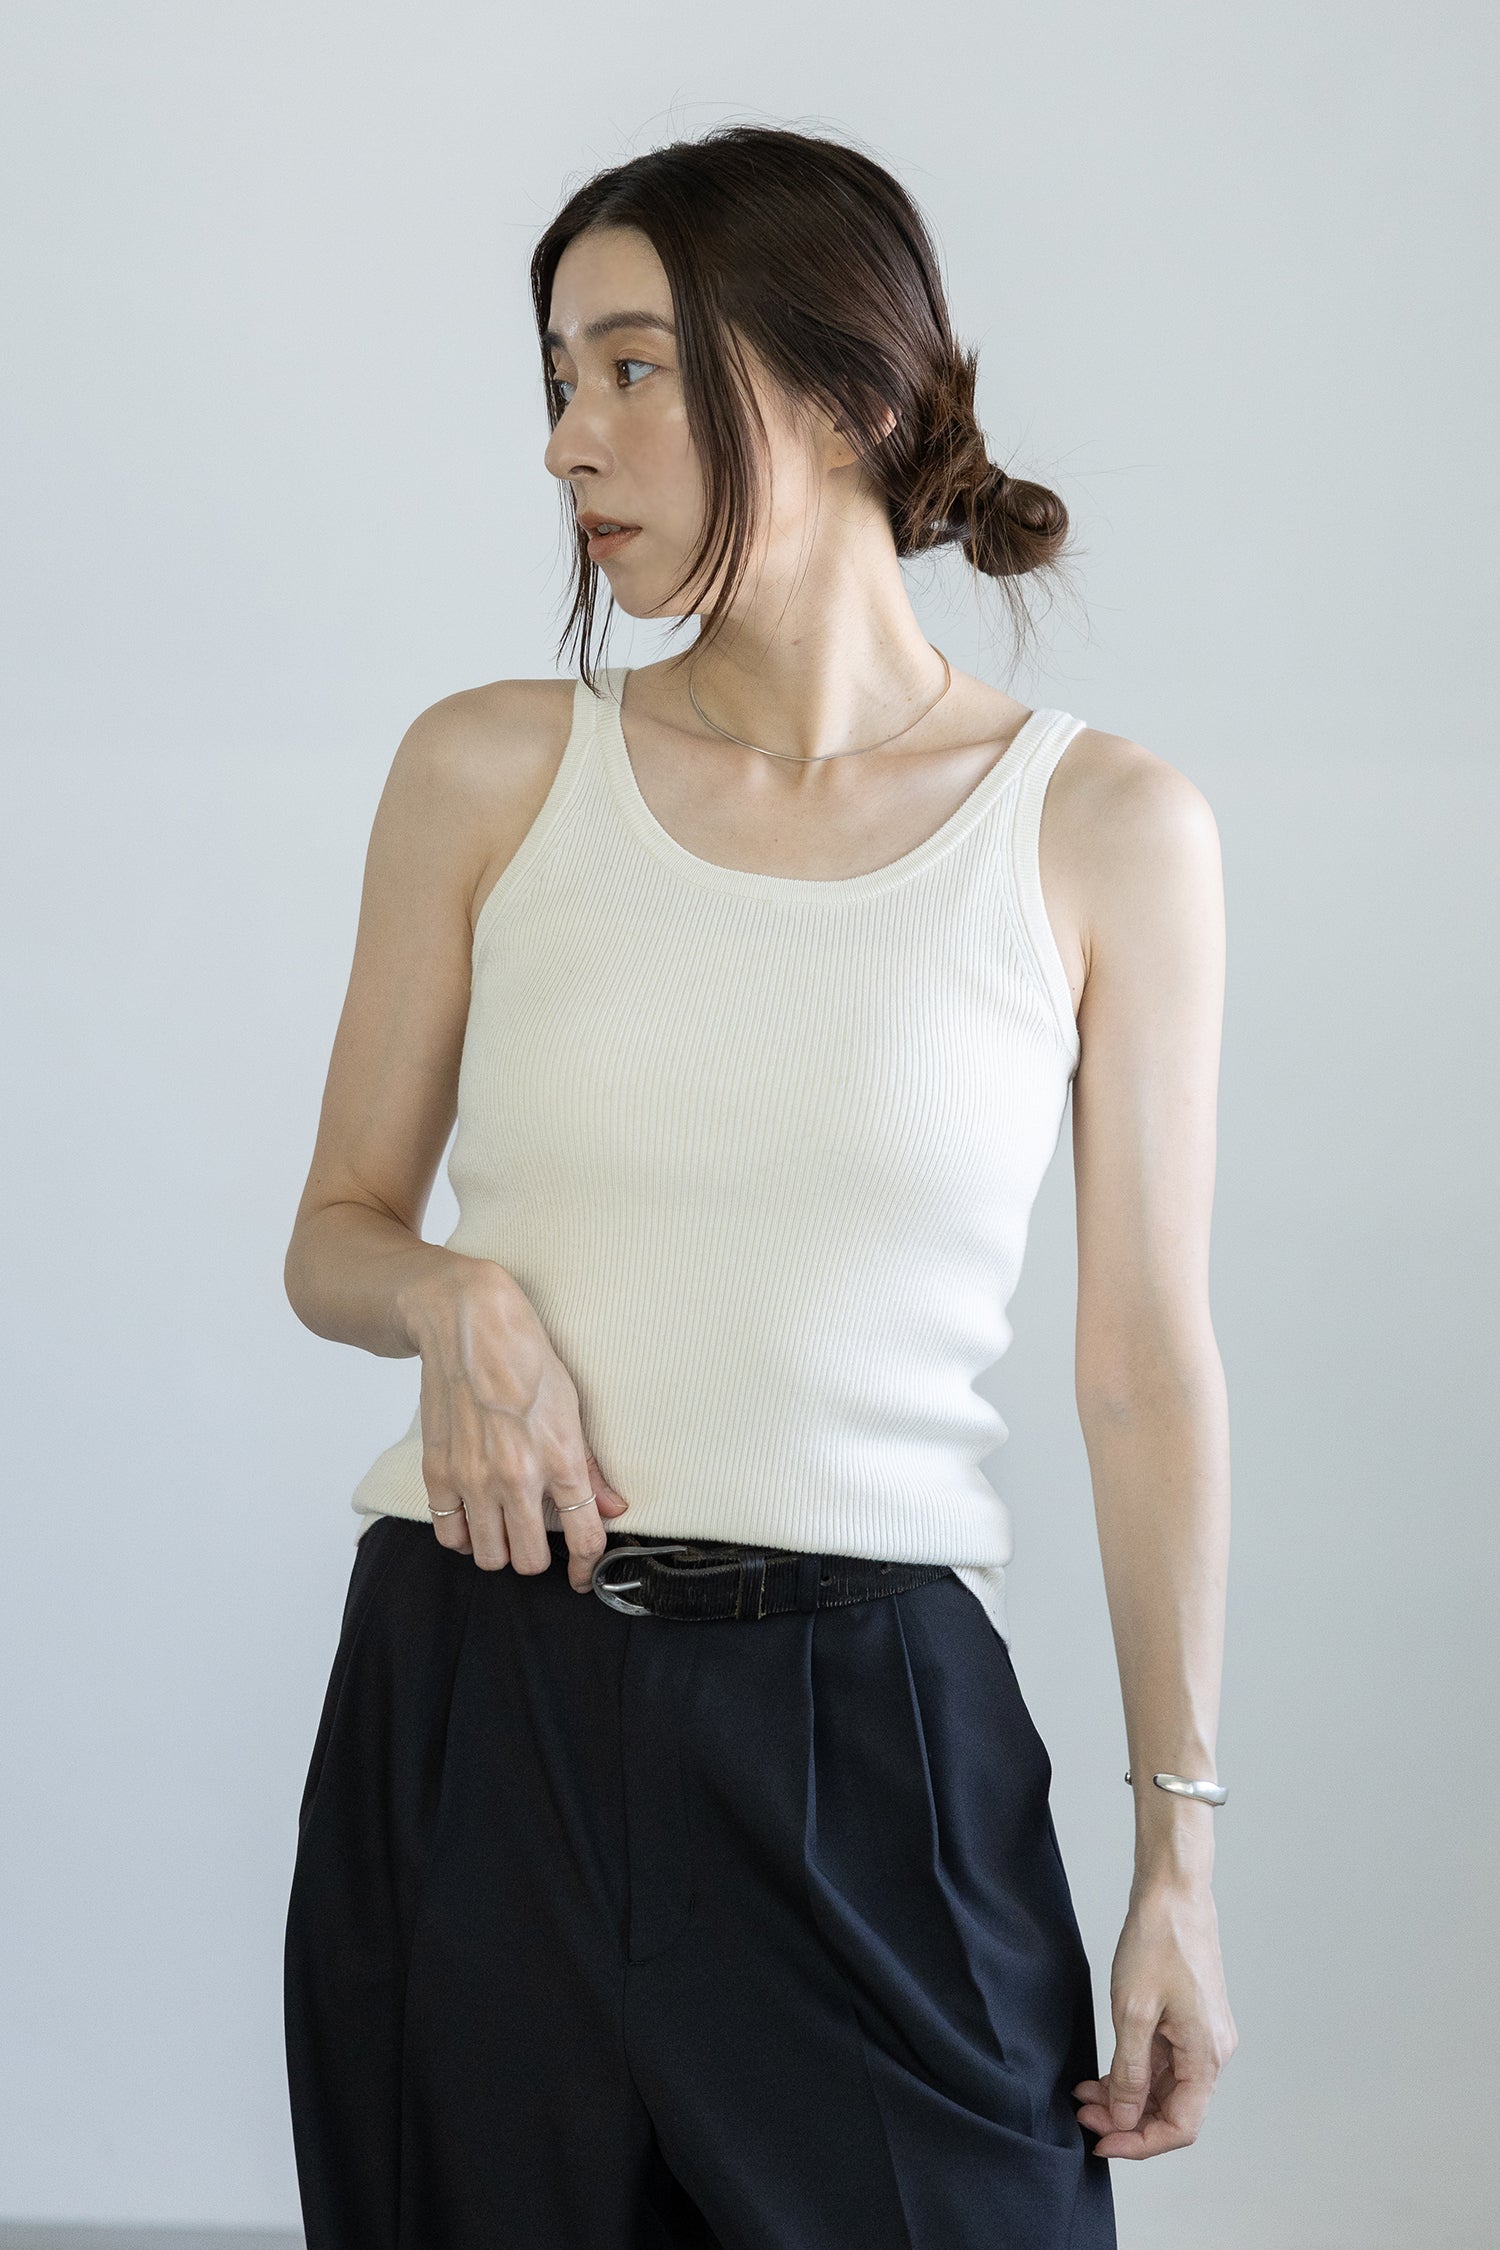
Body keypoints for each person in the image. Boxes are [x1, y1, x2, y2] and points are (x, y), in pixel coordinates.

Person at [281, 121, 1236, 2250]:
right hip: (480, 1700)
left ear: (844, 396)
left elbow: (1147, 1373)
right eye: (558, 378)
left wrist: (1180, 1859)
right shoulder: (492, 768)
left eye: (631, 367)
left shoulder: (1101, 830)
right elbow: (335, 1232)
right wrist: (450, 1298)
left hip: (868, 1725)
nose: (567, 438)